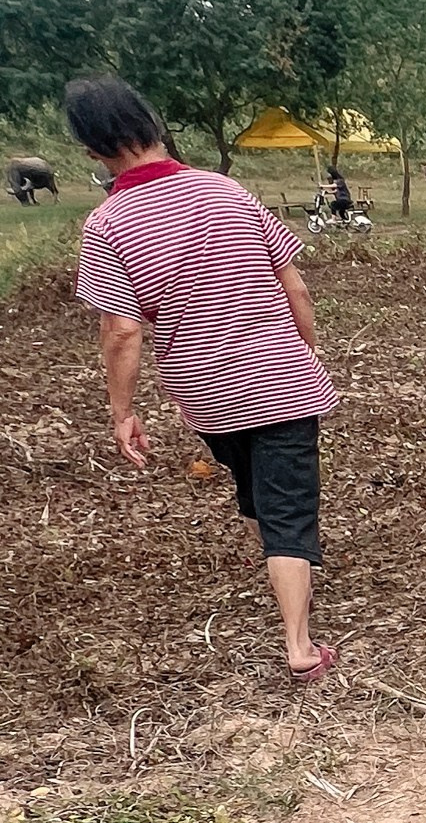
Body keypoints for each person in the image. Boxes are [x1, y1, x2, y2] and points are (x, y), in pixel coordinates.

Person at [67, 74, 341, 683]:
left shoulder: (106, 224)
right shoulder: (226, 189)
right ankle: (300, 645)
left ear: (91, 152)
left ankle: (277, 559)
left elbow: (122, 331)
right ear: (153, 125)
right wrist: (306, 350)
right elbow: (294, 286)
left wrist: (122, 411)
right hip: (284, 379)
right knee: (288, 511)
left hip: (206, 393)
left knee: (255, 487)